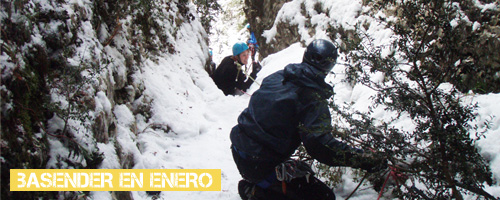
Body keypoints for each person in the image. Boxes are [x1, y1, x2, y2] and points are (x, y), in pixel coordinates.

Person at [230, 39, 387, 199]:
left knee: (302, 170)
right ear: (329, 67)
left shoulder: (278, 76)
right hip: (259, 162)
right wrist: (363, 159)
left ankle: (260, 185)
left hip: (239, 149)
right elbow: (321, 147)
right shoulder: (312, 99)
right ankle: (257, 192)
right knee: (324, 197)